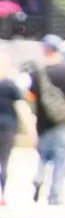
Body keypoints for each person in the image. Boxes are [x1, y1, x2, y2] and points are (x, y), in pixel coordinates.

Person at [27, 35, 65, 205]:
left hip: (42, 124)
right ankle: (54, 196)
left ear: (44, 50)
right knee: (60, 159)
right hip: (61, 122)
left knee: (43, 156)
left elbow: (31, 98)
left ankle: (39, 176)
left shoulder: (36, 72)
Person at [0, 63, 20, 204]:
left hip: (7, 127)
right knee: (4, 162)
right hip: (7, 127)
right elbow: (20, 106)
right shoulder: (11, 86)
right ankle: (2, 194)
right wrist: (32, 127)